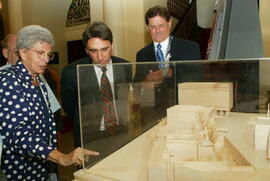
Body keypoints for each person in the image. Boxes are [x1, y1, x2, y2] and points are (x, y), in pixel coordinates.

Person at [0, 25, 99, 181]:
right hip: (20, 169)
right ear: (23, 52)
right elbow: (18, 134)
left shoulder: (38, 78)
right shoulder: (8, 80)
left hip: (43, 164)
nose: (46, 59)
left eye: (48, 54)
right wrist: (60, 157)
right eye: (40, 53)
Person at [61, 21, 132, 148]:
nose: (100, 57)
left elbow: (125, 98)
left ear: (112, 45)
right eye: (93, 51)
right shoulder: (71, 72)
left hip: (122, 132)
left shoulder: (125, 66)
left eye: (104, 49)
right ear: (86, 50)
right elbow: (70, 108)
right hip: (90, 137)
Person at [133, 5, 202, 121]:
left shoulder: (190, 48)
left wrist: (167, 73)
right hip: (152, 117)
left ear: (169, 24)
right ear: (147, 28)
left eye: (161, 26)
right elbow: (137, 89)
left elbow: (198, 82)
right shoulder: (142, 54)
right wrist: (146, 83)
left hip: (183, 113)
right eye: (153, 27)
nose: (157, 30)